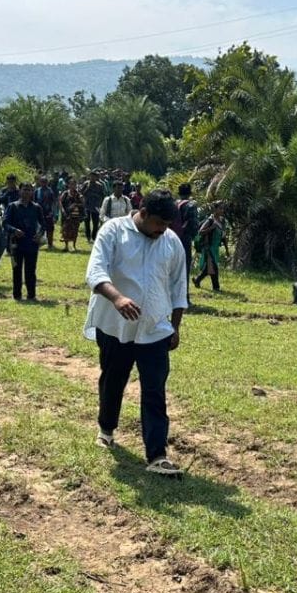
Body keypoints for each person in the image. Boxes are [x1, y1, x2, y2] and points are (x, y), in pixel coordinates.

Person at [84, 189, 188, 477]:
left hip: (155, 329)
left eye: (167, 225)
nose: (162, 231)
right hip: (115, 327)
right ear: (143, 213)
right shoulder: (113, 231)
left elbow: (179, 286)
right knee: (113, 380)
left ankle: (157, 455)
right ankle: (106, 428)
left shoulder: (171, 242)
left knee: (154, 390)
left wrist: (175, 328)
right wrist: (117, 298)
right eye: (158, 224)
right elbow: (94, 273)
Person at [5, 186, 44, 300]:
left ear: (32, 192)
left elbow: (43, 225)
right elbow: (5, 223)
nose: (27, 192)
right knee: (17, 270)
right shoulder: (13, 206)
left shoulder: (36, 207)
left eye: (29, 190)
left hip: (32, 243)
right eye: (24, 189)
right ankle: (17, 295)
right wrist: (14, 230)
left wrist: (40, 234)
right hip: (17, 244)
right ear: (20, 191)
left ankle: (31, 295)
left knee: (30, 271)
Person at [193, 200, 228, 292]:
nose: (222, 210)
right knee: (214, 268)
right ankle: (216, 287)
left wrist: (227, 250)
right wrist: (211, 228)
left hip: (215, 248)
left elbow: (223, 236)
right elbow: (201, 232)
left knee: (209, 268)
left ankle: (197, 280)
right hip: (208, 247)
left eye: (223, 208)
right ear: (215, 209)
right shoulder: (210, 220)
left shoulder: (222, 221)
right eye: (220, 208)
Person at [59, 180, 84, 252]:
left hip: (75, 215)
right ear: (69, 185)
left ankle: (74, 246)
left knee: (75, 230)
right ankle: (66, 246)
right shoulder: (65, 193)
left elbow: (82, 204)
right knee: (66, 230)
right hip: (66, 215)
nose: (73, 186)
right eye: (71, 184)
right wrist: (63, 210)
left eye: (74, 184)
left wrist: (76, 204)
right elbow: (60, 202)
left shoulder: (78, 194)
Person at [81, 172, 105, 243]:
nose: (92, 178)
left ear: (96, 177)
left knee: (95, 223)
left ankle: (94, 236)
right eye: (91, 176)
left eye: (94, 177)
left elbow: (102, 195)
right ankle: (88, 237)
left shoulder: (100, 185)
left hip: (95, 206)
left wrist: (100, 205)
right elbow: (81, 193)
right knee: (87, 222)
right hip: (87, 206)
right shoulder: (86, 184)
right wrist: (87, 188)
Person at [34, 175, 57, 250]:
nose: (43, 183)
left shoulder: (50, 191)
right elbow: (34, 202)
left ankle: (50, 244)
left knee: (50, 229)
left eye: (45, 182)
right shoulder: (37, 191)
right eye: (42, 182)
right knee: (38, 229)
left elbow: (53, 202)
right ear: (40, 182)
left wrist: (53, 213)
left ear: (47, 182)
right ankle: (37, 244)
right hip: (39, 213)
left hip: (48, 213)